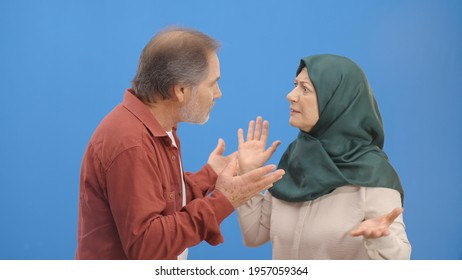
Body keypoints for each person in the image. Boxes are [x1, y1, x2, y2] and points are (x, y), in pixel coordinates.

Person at [75, 27, 284, 260]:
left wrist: (212, 173)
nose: (219, 93)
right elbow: (147, 245)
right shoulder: (131, 144)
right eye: (213, 83)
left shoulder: (157, 128)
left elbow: (164, 200)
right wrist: (224, 200)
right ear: (181, 90)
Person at [236, 54, 412, 259]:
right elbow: (254, 235)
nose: (290, 95)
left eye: (305, 89)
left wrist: (380, 238)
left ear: (336, 101)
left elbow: (400, 261)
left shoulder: (372, 173)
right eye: (295, 85)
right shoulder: (295, 158)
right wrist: (247, 176)